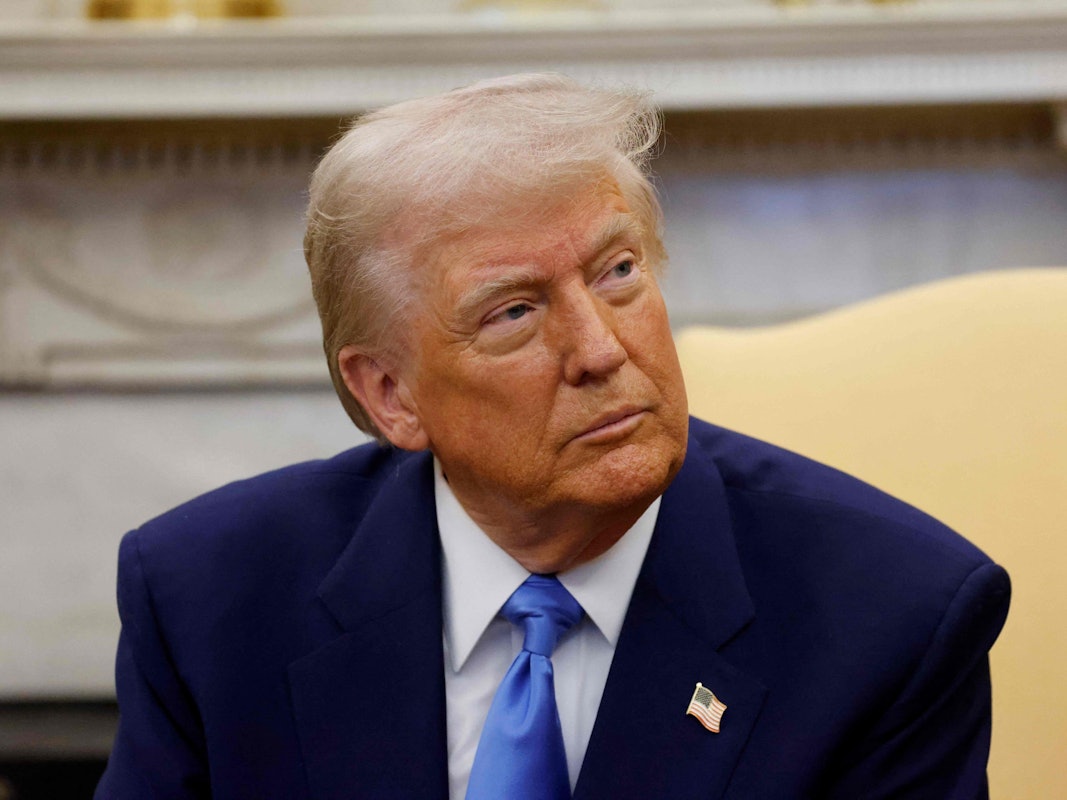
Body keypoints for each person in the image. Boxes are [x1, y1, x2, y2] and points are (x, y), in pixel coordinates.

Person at [96, 74, 1010, 799]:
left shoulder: (893, 616)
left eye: (617, 271)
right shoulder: (209, 599)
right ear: (389, 394)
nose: (602, 350)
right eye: (513, 313)